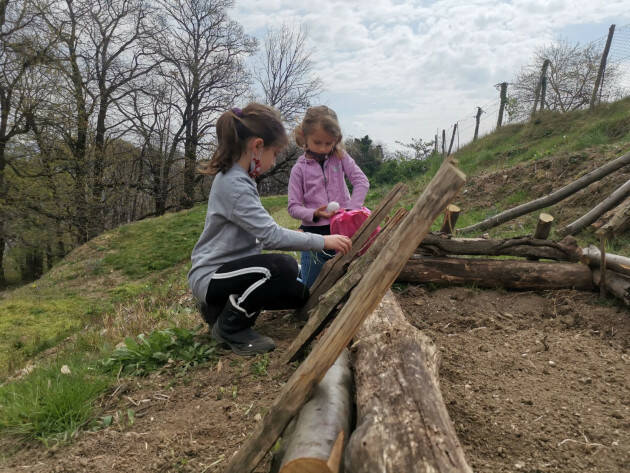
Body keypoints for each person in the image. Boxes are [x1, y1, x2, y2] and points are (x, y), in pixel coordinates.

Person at [188, 103, 352, 356]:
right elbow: (271, 236)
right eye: (274, 153)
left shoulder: (240, 179)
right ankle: (231, 326)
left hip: (237, 269)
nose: (274, 161)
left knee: (298, 293)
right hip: (213, 274)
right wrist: (323, 241)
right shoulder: (234, 183)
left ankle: (220, 309)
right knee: (282, 267)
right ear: (257, 146)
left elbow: (259, 232)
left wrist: (297, 236)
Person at [288, 106, 369, 288]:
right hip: (314, 235)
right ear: (304, 136)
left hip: (344, 229)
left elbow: (361, 181)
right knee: (312, 285)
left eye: (329, 143)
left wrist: (350, 210)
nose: (324, 149)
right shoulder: (299, 169)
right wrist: (314, 214)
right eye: (318, 142)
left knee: (345, 278)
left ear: (336, 140)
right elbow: (293, 207)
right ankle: (296, 273)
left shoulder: (340, 157)